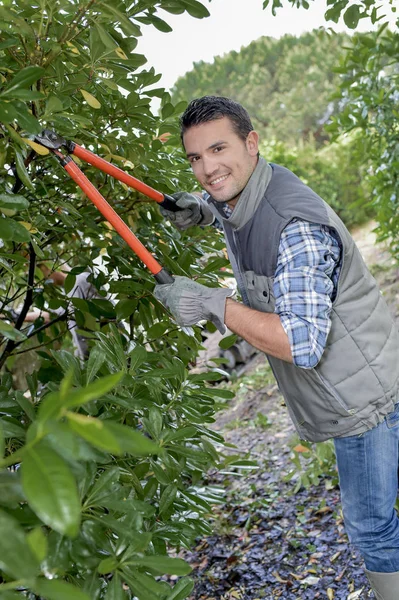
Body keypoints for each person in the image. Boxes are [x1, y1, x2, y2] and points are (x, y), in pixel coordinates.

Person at [154, 96, 399, 599]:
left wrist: (210, 302)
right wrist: (201, 211)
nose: (207, 168)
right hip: (372, 373)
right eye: (195, 158)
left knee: (371, 527)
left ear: (252, 142)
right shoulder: (249, 188)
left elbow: (300, 343)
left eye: (218, 149)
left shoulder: (296, 227)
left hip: (365, 399)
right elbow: (236, 210)